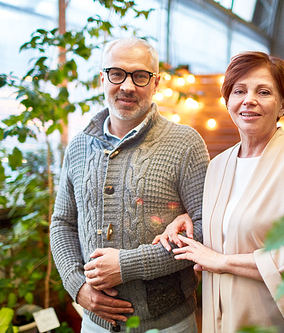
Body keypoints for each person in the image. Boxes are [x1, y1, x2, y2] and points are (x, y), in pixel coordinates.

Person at [153, 51, 284, 333]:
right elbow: (224, 226)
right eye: (239, 91)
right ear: (228, 101)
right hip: (222, 316)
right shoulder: (217, 166)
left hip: (272, 319)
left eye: (263, 91)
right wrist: (185, 220)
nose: (248, 100)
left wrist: (222, 262)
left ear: (282, 104)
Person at [50, 37, 209, 333]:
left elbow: (203, 228)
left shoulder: (185, 144)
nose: (127, 86)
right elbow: (62, 222)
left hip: (167, 324)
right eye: (117, 73)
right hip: (94, 323)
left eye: (140, 76)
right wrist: (78, 287)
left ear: (156, 83)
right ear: (102, 78)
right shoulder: (79, 147)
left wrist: (127, 265)